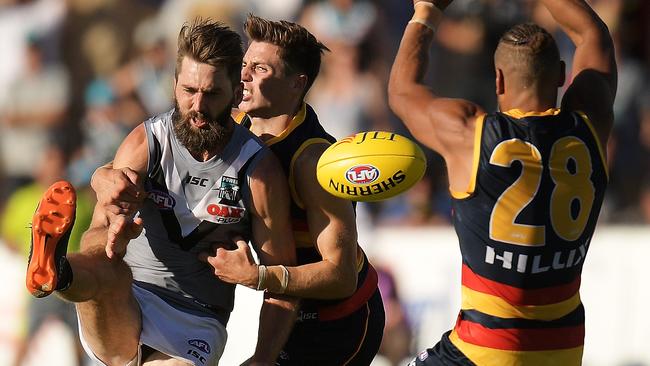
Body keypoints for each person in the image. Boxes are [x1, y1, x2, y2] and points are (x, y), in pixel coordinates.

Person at [25, 18, 298, 366]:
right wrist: (114, 238)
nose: (197, 107)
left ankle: (62, 273)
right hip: (129, 298)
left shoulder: (258, 170)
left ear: (235, 90)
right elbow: (95, 238)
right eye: (188, 91)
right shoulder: (145, 143)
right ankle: (57, 272)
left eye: (211, 93)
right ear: (174, 84)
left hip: (197, 317)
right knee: (108, 267)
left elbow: (282, 282)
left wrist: (263, 357)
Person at [388, 0, 615, 365]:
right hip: (564, 349)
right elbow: (592, 34)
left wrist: (426, 11)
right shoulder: (592, 122)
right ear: (561, 74)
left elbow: (401, 92)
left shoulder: (471, 136)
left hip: (484, 349)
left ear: (497, 79)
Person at [216, 15, 386, 365]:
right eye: (245, 64)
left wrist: (258, 276)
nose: (244, 75)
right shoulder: (233, 124)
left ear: (297, 83)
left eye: (260, 69)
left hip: (338, 322)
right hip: (286, 308)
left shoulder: (312, 161)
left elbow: (340, 278)